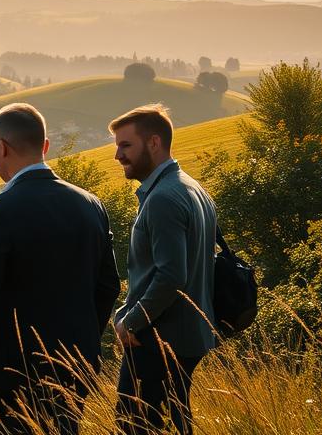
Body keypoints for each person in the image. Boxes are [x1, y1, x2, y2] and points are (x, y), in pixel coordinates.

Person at [0, 103, 121, 435]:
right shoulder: (91, 204)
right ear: (45, 146)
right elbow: (108, 286)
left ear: (1, 148)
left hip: (10, 372)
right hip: (75, 365)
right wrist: (86, 340)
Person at [110, 104, 217, 434]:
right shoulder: (192, 187)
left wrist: (131, 321)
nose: (117, 155)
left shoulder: (163, 199)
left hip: (158, 338)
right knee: (174, 423)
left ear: (154, 143)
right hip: (184, 336)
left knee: (134, 424)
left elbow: (171, 275)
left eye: (126, 145)